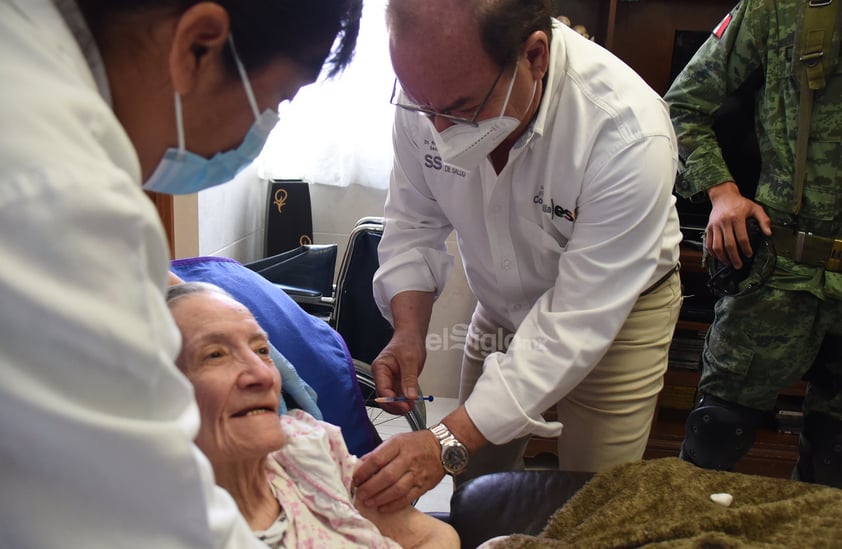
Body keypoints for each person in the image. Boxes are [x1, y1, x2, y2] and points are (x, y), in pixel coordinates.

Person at [0, 0, 361, 546]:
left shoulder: (315, 451)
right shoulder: (61, 193)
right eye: (277, 99)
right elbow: (155, 517)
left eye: (262, 349)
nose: (264, 377)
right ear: (198, 44)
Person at [353, 0, 684, 511]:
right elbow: (414, 224)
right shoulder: (429, 91)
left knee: (593, 504)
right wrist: (408, 332)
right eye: (422, 107)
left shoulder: (627, 134)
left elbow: (571, 327)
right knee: (472, 482)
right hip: (500, 302)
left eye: (460, 108)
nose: (437, 129)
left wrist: (442, 441)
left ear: (534, 56)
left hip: (615, 319)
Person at [664, 0, 842, 487]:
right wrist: (720, 192)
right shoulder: (778, 8)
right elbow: (680, 105)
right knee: (713, 440)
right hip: (779, 272)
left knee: (833, 468)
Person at [166, 281, 459, 548]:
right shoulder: (154, 530)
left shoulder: (305, 449)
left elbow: (436, 537)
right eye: (215, 355)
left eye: (262, 350)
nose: (262, 375)